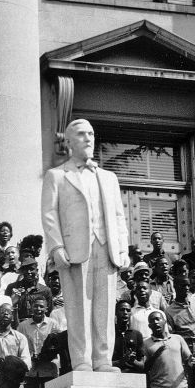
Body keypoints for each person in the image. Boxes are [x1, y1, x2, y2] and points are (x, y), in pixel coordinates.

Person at [41, 118, 129, 372]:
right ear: (68, 141)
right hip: (74, 250)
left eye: (91, 133)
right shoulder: (57, 176)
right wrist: (56, 247)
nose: (88, 138)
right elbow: (49, 214)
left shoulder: (108, 177)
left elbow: (119, 216)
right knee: (78, 307)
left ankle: (103, 359)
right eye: (81, 134)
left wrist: (122, 249)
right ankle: (81, 359)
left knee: (104, 306)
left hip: (107, 247)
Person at [137, 311, 191, 388]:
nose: (155, 322)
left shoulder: (178, 338)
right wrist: (156, 354)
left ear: (164, 321)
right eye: (152, 321)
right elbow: (144, 368)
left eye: (158, 319)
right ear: (149, 326)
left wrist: (187, 372)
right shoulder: (146, 343)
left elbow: (188, 359)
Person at [165, 277, 195, 388]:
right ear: (175, 287)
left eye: (187, 285)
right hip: (184, 346)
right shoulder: (170, 310)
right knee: (187, 382)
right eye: (182, 285)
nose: (185, 288)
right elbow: (172, 335)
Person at [17, 293, 58, 388]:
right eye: (35, 306)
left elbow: (57, 345)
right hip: (30, 370)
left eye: (41, 306)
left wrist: (46, 355)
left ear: (46, 308)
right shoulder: (23, 326)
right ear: (31, 308)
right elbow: (18, 346)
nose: (38, 309)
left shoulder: (53, 324)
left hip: (49, 369)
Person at [112, 299, 144, 374]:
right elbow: (102, 364)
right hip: (113, 375)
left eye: (128, 310)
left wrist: (132, 361)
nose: (125, 313)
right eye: (122, 310)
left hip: (132, 376)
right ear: (115, 312)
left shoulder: (137, 335)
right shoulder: (110, 333)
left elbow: (142, 366)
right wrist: (121, 361)